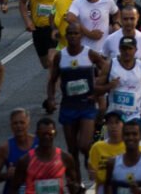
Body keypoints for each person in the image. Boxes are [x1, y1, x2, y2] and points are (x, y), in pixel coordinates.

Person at [46, 23, 107, 179]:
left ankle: (89, 155)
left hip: (86, 105)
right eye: (70, 33)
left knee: (84, 145)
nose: (73, 36)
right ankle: (77, 183)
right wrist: (52, 99)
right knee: (72, 149)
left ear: (81, 36)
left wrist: (98, 84)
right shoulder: (61, 56)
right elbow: (52, 80)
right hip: (68, 107)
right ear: (66, 36)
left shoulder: (90, 54)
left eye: (76, 33)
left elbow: (105, 67)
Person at [16, 0, 66, 70]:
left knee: (52, 60)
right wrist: (27, 21)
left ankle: (56, 84)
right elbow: (22, 2)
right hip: (38, 30)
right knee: (46, 64)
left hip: (55, 28)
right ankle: (55, 78)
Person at [9, 117, 81, 194]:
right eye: (42, 133)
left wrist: (73, 187)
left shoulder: (65, 158)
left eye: (50, 133)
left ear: (55, 133)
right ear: (37, 134)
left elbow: (74, 186)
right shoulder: (25, 161)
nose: (47, 136)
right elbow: (14, 188)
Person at [96, 36, 141, 124]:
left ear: (135, 50)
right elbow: (97, 89)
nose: (127, 52)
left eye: (130, 49)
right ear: (119, 49)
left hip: (135, 114)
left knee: (132, 137)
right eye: (124, 48)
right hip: (114, 115)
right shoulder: (109, 66)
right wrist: (109, 86)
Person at [0, 108, 35, 194]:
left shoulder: (38, 144)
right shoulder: (5, 148)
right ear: (11, 125)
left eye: (22, 122)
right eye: (15, 123)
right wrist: (6, 175)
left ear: (28, 124)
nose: (19, 126)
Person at [86, 112, 123, 190]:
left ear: (124, 125)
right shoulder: (97, 147)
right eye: (110, 123)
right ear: (106, 126)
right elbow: (92, 175)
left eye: (117, 122)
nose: (113, 126)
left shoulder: (131, 148)